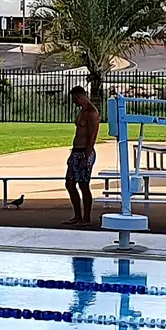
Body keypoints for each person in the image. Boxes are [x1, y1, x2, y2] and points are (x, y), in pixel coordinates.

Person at [63, 86, 100, 226]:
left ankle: (86, 217)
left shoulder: (91, 113)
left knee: (83, 185)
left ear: (79, 97)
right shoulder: (82, 112)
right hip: (76, 152)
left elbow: (92, 135)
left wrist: (87, 156)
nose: (74, 102)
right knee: (70, 183)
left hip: (85, 152)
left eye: (74, 99)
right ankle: (77, 215)